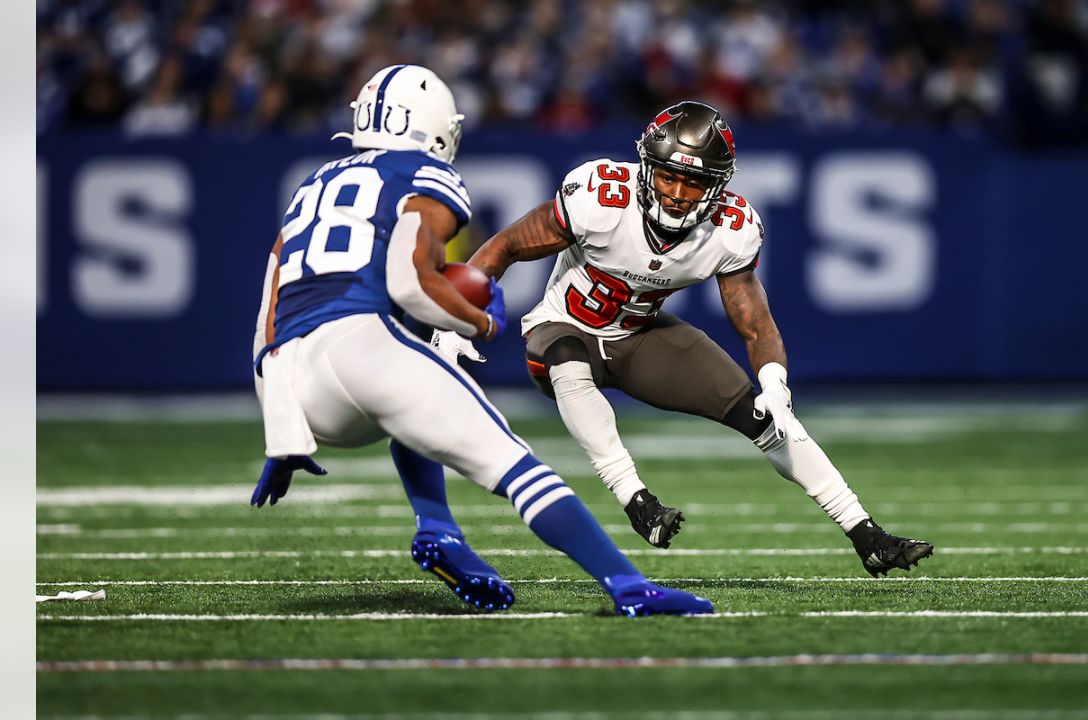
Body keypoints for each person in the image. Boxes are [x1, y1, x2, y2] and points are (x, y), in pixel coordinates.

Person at [248, 65, 713, 616]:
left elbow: (271, 313)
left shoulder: (312, 185)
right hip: (363, 353)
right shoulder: (424, 174)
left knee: (415, 360)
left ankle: (439, 528)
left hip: (290, 381)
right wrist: (477, 322)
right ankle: (630, 587)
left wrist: (282, 430)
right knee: (516, 465)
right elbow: (409, 280)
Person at [437, 101, 933, 577]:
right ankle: (636, 500)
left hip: (639, 337)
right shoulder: (599, 197)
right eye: (669, 175)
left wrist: (776, 385)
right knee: (567, 360)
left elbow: (755, 322)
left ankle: (866, 535)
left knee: (767, 419)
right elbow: (505, 247)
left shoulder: (730, 229)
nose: (676, 192)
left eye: (693, 182)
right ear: (646, 168)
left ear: (716, 187)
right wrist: (454, 321)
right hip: (564, 328)